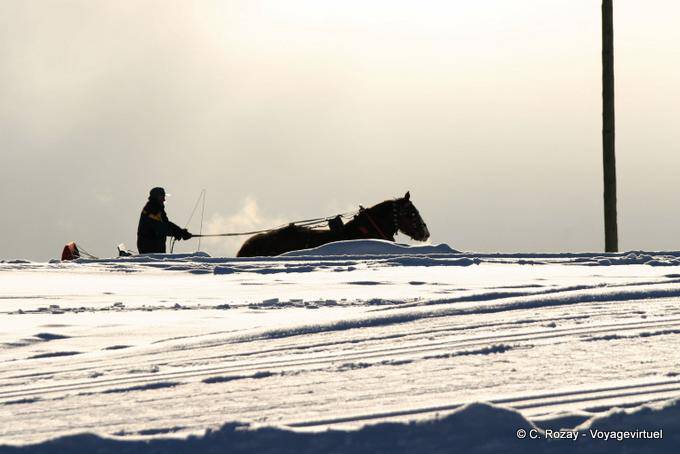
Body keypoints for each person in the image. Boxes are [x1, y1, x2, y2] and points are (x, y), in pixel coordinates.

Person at [137, 187, 192, 254]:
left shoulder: (157, 208)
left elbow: (167, 224)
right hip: (149, 246)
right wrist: (178, 233)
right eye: (162, 197)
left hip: (154, 245)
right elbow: (161, 228)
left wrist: (180, 231)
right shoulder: (152, 209)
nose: (164, 199)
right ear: (156, 197)